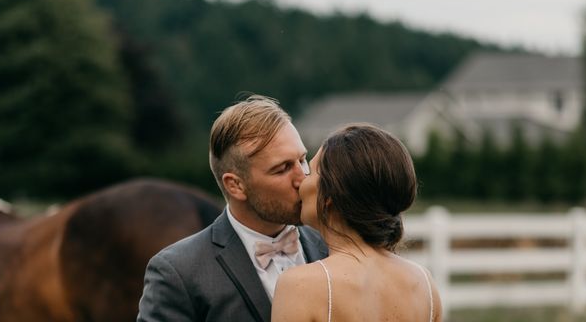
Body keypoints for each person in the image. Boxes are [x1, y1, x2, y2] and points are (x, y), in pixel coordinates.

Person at [137, 95, 328, 322]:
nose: (303, 179)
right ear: (235, 185)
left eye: (302, 160)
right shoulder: (178, 273)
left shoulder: (334, 245)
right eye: (283, 169)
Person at [272, 123, 442, 322]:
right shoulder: (424, 284)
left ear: (329, 194)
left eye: (310, 171)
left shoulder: (300, 285)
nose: (301, 181)